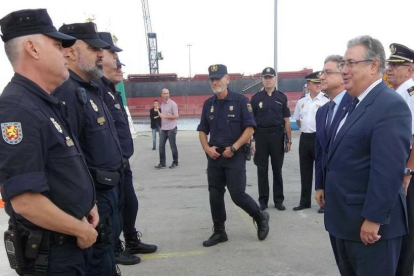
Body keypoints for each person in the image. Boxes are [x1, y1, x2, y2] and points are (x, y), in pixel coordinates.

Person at [0, 9, 98, 275]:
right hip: (53, 255)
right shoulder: (17, 109)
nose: (65, 53)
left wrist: (88, 204)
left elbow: (61, 170)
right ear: (32, 48)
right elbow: (25, 200)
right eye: (57, 45)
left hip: (70, 244)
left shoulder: (44, 103)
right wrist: (80, 229)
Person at [325, 35, 411, 276]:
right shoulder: (354, 103)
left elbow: (388, 171)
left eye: (351, 63)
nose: (344, 70)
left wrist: (373, 219)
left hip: (370, 230)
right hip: (345, 223)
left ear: (374, 65)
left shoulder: (389, 105)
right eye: (343, 63)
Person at [53, 22, 124, 276]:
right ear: (70, 51)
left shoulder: (93, 89)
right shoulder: (67, 94)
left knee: (107, 255)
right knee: (98, 262)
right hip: (94, 199)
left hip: (110, 191)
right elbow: (69, 157)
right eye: (93, 48)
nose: (101, 54)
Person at [96, 32, 158, 265]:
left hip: (123, 160)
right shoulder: (98, 90)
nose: (121, 68)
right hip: (111, 164)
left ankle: (131, 239)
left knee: (130, 203)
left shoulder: (112, 90)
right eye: (116, 61)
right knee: (114, 207)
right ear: (100, 58)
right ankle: (115, 246)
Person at [197, 64, 270, 247]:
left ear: (227, 79)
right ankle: (219, 231)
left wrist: (235, 147)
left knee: (237, 194)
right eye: (212, 79)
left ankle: (260, 217)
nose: (215, 82)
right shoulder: (208, 104)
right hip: (215, 156)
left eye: (218, 78)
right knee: (215, 194)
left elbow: (250, 128)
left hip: (234, 154)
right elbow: (202, 130)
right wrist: (207, 148)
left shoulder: (240, 101)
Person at [314, 54, 352, 270]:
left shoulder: (354, 106)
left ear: (343, 74)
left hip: (349, 195)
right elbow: (321, 153)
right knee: (340, 256)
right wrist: (319, 185)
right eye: (322, 72)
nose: (322, 76)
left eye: (328, 72)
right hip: (331, 193)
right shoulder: (322, 112)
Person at [385, 43, 414, 276]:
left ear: (410, 70)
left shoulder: (411, 93)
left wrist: (408, 171)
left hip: (408, 173)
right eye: (389, 64)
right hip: (400, 169)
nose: (390, 68)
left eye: (396, 65)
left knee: (408, 230)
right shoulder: (398, 93)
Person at [250, 67, 292, 211]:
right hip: (260, 136)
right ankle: (263, 201)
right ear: (262, 79)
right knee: (262, 170)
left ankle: (278, 200)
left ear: (275, 79)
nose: (268, 79)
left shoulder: (282, 97)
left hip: (277, 136)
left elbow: (286, 120)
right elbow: (250, 122)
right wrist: (251, 141)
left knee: (277, 169)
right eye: (265, 77)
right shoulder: (255, 98)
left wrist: (289, 140)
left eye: (270, 77)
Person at [292, 71, 329, 211]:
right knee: (305, 171)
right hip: (305, 138)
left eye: (319, 82)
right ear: (308, 85)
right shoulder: (302, 101)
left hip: (319, 137)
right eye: (315, 83)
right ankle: (305, 201)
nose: (319, 85)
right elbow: (298, 120)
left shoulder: (325, 100)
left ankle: (323, 203)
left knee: (321, 170)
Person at [155, 88, 179, 169]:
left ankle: (175, 162)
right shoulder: (162, 105)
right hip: (164, 128)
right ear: (161, 95)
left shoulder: (173, 104)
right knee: (161, 146)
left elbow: (176, 116)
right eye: (164, 94)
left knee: (172, 146)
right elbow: (162, 117)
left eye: (167, 93)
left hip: (171, 128)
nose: (166, 95)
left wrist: (164, 116)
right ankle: (162, 163)